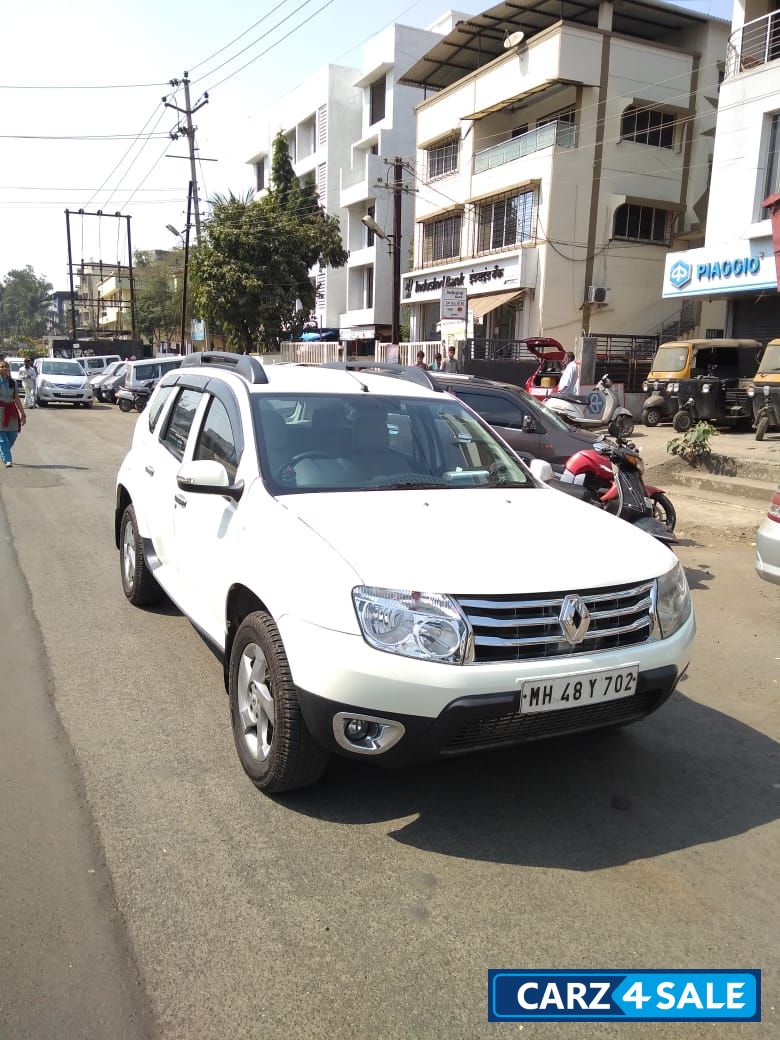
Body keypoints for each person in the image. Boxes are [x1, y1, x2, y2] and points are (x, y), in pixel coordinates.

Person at [0, 359, 26, 467]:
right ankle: (8, 459)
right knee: (2, 439)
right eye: (2, 367)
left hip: (11, 411)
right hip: (0, 411)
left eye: (6, 366)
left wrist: (23, 413)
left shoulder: (13, 382)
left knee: (13, 435)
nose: (4, 368)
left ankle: (3, 452)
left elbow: (17, 398)